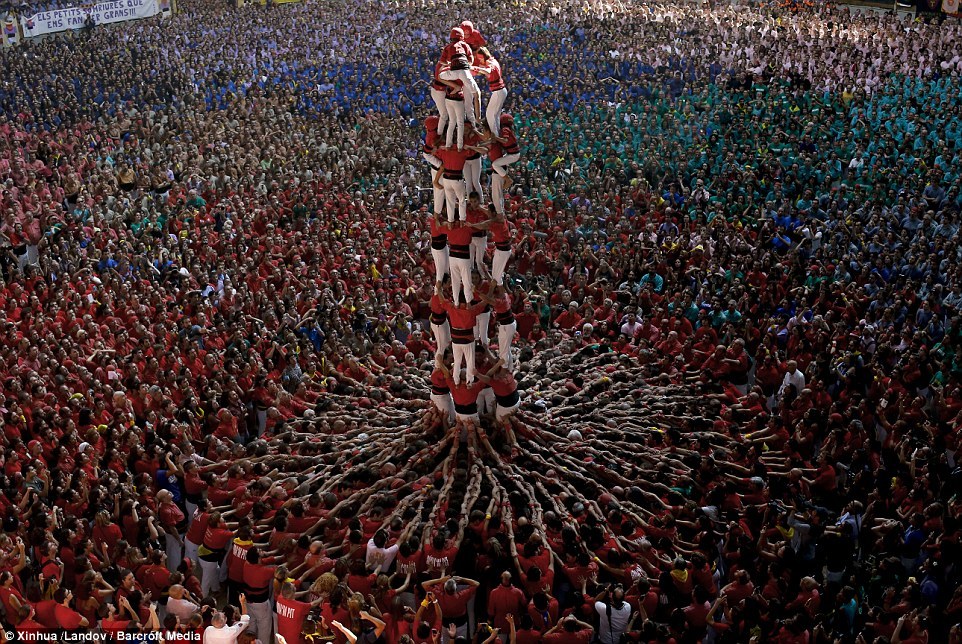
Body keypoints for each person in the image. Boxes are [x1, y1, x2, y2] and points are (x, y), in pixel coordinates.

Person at [472, 47, 507, 135]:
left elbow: (487, 70)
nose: (480, 60)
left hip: (498, 91)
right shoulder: (491, 60)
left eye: (480, 58)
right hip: (500, 91)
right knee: (495, 116)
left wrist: (474, 68)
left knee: (490, 115)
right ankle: (498, 134)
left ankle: (495, 136)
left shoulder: (491, 63)